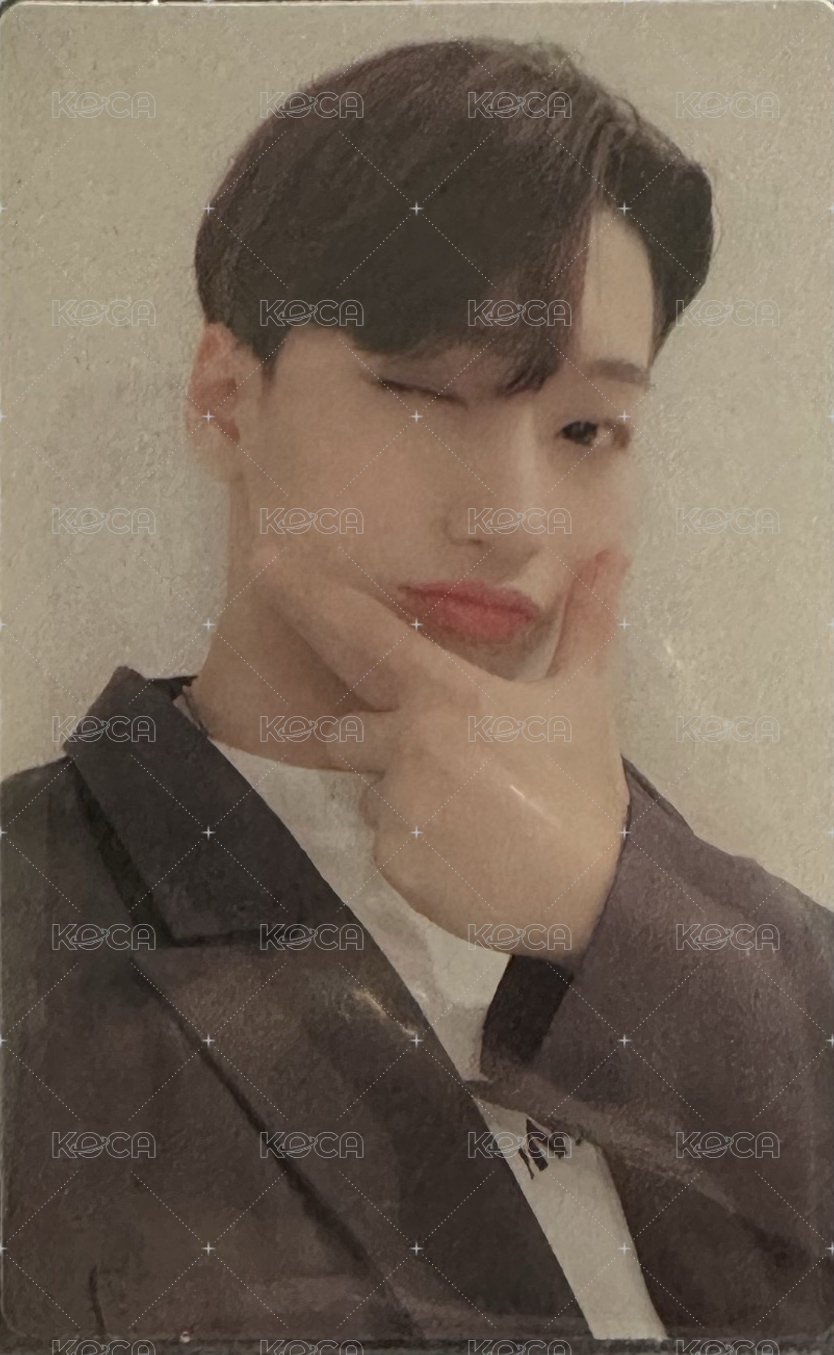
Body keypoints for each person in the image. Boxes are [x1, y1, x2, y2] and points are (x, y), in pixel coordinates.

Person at [2, 36, 832, 1346]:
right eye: (423, 396)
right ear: (224, 401)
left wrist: (603, 915)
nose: (512, 517)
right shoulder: (31, 914)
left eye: (585, 429)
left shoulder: (705, 911)